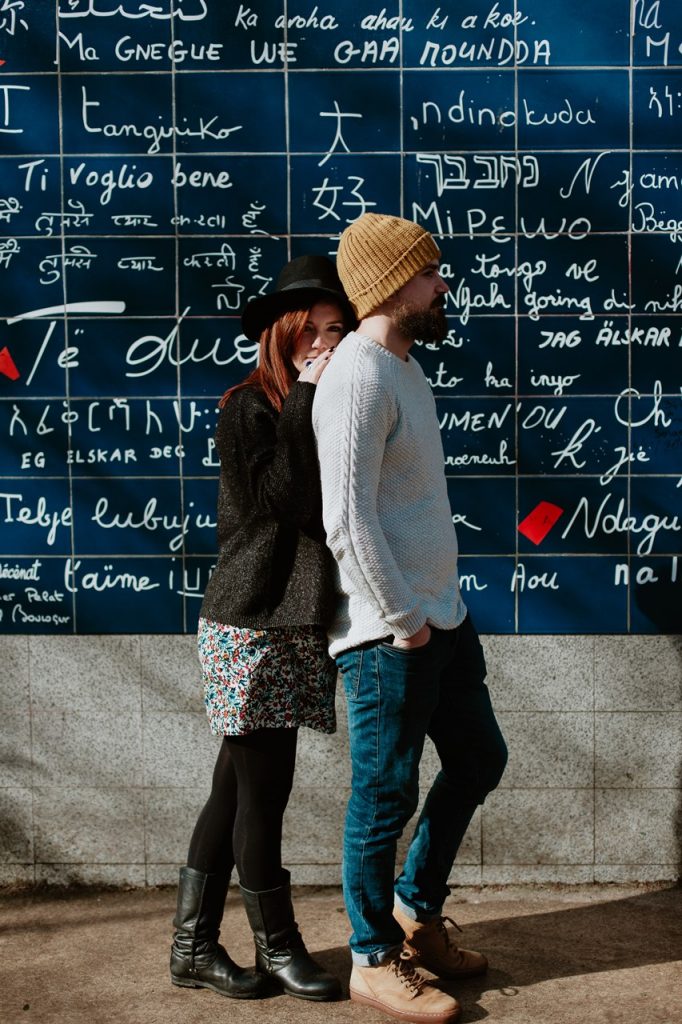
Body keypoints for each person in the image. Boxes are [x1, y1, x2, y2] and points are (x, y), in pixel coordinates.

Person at [313, 213, 508, 1024]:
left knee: (479, 760)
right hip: (391, 634)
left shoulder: (407, 370)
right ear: (394, 283)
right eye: (431, 273)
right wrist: (402, 621)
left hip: (439, 619)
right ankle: (370, 959)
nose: (444, 284)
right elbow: (347, 519)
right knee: (383, 795)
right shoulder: (359, 375)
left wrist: (437, 619)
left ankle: (415, 913)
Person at [169, 254, 355, 1003]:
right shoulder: (249, 408)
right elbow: (281, 498)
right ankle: (278, 947)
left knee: (231, 790)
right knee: (263, 790)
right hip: (250, 621)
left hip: (291, 622)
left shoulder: (323, 406)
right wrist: (306, 395)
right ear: (281, 336)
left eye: (335, 330)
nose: (324, 344)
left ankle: (192, 948)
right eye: (309, 333)